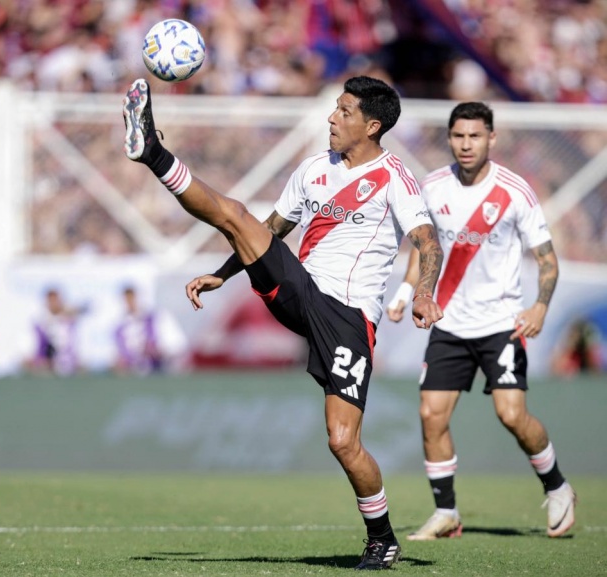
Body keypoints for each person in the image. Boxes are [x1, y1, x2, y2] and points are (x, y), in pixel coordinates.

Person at [123, 75, 444, 570]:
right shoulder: (315, 168)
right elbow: (270, 230)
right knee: (234, 215)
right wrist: (223, 274)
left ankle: (382, 537)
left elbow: (428, 242)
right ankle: (153, 154)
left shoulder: (396, 179)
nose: (331, 118)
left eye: (344, 111)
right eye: (334, 109)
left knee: (343, 441)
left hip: (347, 317)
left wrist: (424, 292)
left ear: (372, 125)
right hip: (300, 292)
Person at [386, 101, 576, 541]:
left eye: (475, 136)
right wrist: (405, 292)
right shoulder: (432, 187)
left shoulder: (514, 191)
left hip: (501, 323)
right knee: (431, 415)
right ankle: (446, 512)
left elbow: (546, 260)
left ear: (492, 138)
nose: (466, 144)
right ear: (449, 139)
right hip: (449, 324)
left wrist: (540, 307)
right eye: (458, 136)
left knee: (511, 415)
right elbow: (423, 248)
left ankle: (558, 487)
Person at [113, 285, 188, 375]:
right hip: (134, 377)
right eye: (126, 299)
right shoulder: (119, 327)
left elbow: (179, 345)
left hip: (161, 372)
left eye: (132, 298)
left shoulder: (158, 318)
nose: (130, 303)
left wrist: (159, 351)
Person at [29, 287, 84, 376]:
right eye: (51, 301)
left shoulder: (70, 323)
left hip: (68, 370)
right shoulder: (40, 324)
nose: (54, 304)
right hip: (46, 371)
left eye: (56, 300)